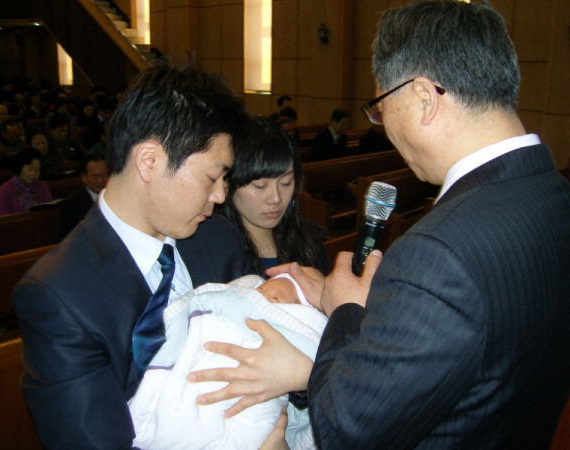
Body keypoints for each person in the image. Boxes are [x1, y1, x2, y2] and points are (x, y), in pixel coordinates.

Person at [188, 1, 570, 449]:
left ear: (424, 98)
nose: (383, 125)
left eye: (381, 107)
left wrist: (346, 312)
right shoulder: (554, 196)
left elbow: (346, 431)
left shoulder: (438, 254)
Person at [13, 63, 254, 448]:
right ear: (149, 161)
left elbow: (257, 348)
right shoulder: (58, 295)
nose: (221, 195)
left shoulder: (219, 238)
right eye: (212, 177)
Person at [129, 273, 326, 450]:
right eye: (260, 289)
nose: (260, 296)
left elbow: (312, 347)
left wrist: (306, 373)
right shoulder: (232, 282)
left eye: (275, 299)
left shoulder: (305, 333)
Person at [220, 118, 330, 276]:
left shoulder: (310, 242)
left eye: (286, 182)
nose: (276, 198)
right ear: (228, 183)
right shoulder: (214, 251)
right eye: (260, 186)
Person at [57, 153, 109, 241]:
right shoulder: (71, 204)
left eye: (104, 175)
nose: (101, 180)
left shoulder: (117, 196)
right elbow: (65, 239)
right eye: (95, 177)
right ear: (84, 177)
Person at [0, 147, 52, 215]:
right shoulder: (5, 190)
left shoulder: (42, 186)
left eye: (37, 170)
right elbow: (4, 217)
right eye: (30, 169)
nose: (33, 174)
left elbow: (49, 212)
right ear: (20, 168)